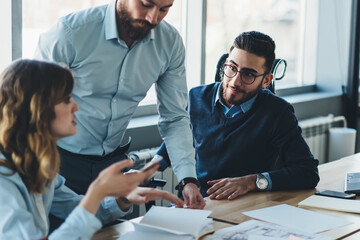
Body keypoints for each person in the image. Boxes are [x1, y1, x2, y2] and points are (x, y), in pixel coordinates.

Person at [34, 0, 204, 209]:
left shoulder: (170, 43)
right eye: (146, 4)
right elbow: (36, 109)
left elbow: (175, 117)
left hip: (112, 166)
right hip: (59, 162)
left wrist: (188, 179)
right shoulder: (69, 33)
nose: (153, 18)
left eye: (164, 9)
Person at [0, 59, 184, 239]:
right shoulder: (3, 179)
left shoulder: (36, 165)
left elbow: (78, 209)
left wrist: (122, 198)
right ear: (37, 108)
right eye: (66, 100)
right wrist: (98, 190)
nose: (75, 106)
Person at [157, 31, 320, 200]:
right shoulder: (196, 97)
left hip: (244, 207)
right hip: (197, 202)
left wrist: (252, 181)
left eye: (248, 74)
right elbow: (177, 141)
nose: (235, 81)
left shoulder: (278, 112)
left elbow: (308, 172)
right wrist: (148, 170)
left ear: (266, 81)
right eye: (232, 68)